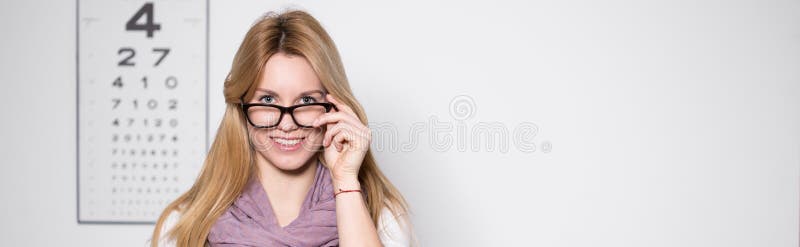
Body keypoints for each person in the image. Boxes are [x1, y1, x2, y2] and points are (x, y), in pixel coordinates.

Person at [148, 9, 415, 247]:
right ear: (241, 106)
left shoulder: (381, 217)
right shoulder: (184, 223)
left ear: (335, 107)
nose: (287, 124)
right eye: (268, 100)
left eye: (307, 100)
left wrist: (345, 181)